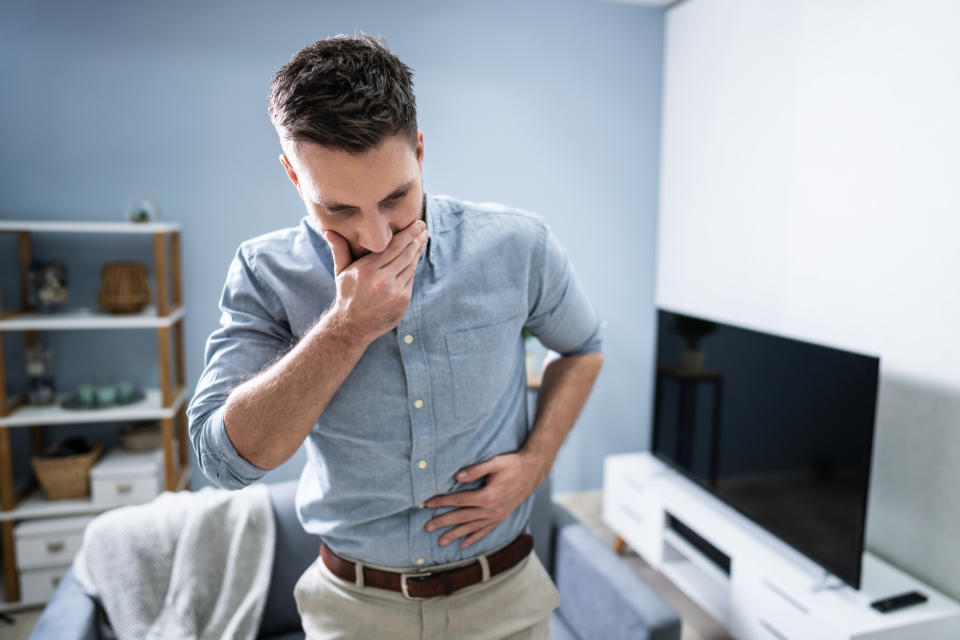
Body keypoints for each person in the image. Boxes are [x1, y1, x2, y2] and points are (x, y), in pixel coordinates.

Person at [187, 33, 603, 639]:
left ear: (420, 151)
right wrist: (345, 329)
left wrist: (537, 462)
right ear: (292, 176)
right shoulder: (263, 273)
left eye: (395, 198)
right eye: (340, 210)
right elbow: (222, 462)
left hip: (504, 598)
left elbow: (583, 348)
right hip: (353, 610)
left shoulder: (518, 245)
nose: (378, 238)